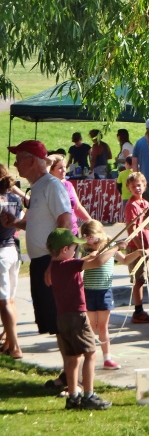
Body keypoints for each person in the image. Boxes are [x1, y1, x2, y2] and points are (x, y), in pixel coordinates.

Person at [1, 140, 72, 389]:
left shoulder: (51, 185)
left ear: (32, 160)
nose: (16, 164)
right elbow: (40, 223)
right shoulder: (37, 187)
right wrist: (15, 224)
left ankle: (74, 379)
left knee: (63, 322)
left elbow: (65, 220)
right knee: (55, 323)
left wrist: (56, 260)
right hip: (41, 262)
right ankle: (68, 376)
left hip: (51, 262)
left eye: (19, 158)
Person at [45, 228, 117, 410]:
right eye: (73, 247)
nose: (76, 251)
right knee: (90, 354)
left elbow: (81, 262)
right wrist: (116, 247)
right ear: (64, 250)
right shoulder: (70, 265)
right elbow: (99, 262)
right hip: (77, 316)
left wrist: (88, 256)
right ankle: (88, 396)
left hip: (63, 317)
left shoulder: (54, 267)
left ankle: (73, 396)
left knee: (72, 358)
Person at [80, 220, 145, 370]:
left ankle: (107, 358)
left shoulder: (110, 246)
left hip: (104, 291)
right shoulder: (84, 249)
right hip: (88, 291)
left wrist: (138, 253)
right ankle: (88, 356)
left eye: (93, 240)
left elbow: (124, 260)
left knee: (102, 326)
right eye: (87, 240)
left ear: (100, 235)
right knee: (90, 326)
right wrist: (90, 256)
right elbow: (78, 263)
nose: (90, 244)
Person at [125, 172, 149, 323]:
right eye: (133, 186)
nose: (137, 188)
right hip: (136, 248)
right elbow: (132, 229)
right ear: (129, 188)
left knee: (144, 278)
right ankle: (138, 311)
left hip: (146, 247)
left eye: (139, 185)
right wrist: (140, 249)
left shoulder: (145, 204)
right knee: (138, 279)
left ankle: (141, 309)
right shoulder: (131, 205)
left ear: (144, 186)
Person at [0, 164, 23, 360]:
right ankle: (9, 340)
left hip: (0, 251)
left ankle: (14, 345)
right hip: (12, 249)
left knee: (4, 301)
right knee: (11, 299)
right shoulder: (15, 199)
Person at [49, 154, 92, 235]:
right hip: (56, 234)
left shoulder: (68, 185)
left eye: (65, 167)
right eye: (60, 168)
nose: (64, 170)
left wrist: (91, 222)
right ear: (51, 170)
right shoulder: (48, 187)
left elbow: (77, 207)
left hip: (73, 232)